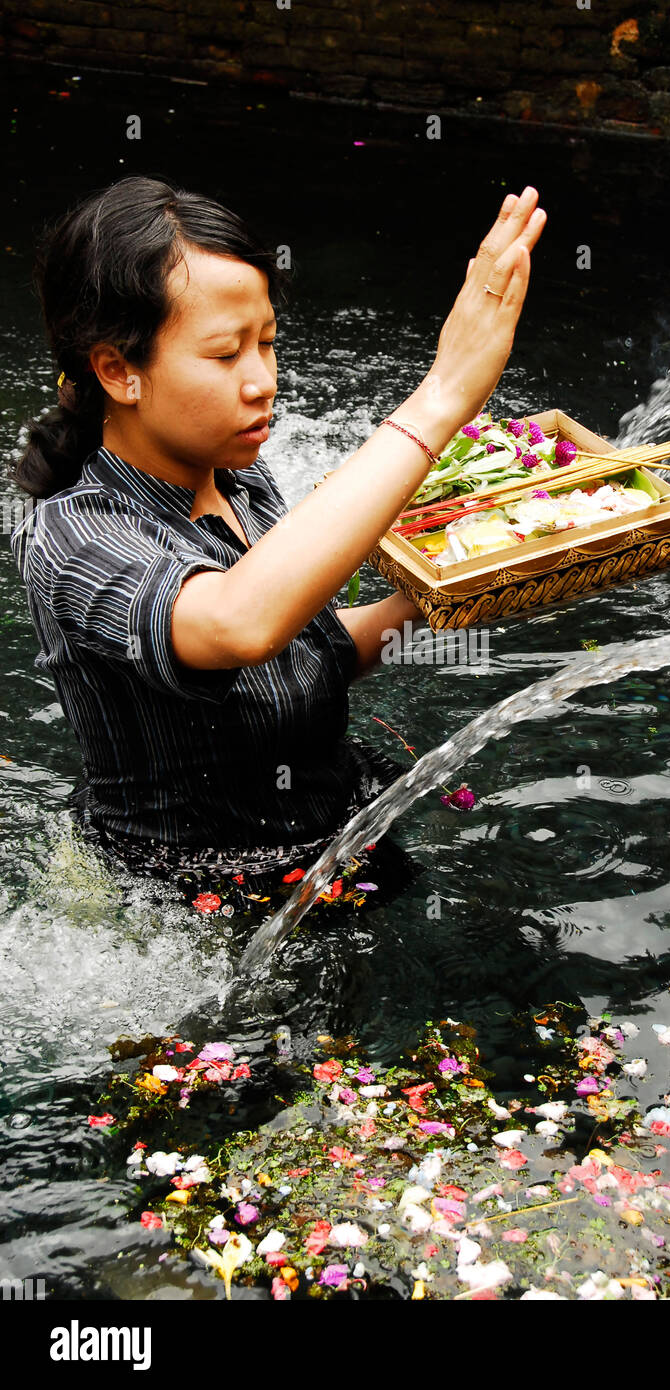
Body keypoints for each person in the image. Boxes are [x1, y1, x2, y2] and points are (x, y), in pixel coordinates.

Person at [7, 175, 546, 927]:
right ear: (116, 370)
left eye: (267, 343)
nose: (264, 382)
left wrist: (461, 579)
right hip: (200, 902)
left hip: (334, 835)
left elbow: (307, 650)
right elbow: (239, 625)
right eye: (227, 354)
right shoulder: (74, 537)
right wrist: (443, 394)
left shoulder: (242, 480)